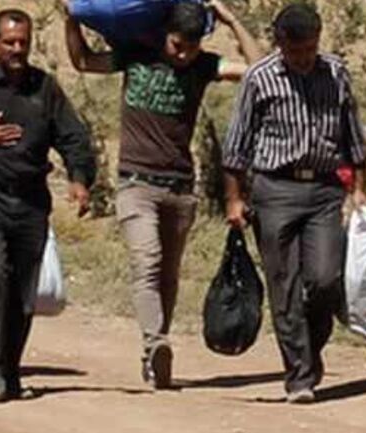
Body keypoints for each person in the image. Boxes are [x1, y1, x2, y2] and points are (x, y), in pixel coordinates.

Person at [63, 0, 261, 388]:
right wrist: (72, 20)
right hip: (135, 183)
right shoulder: (135, 55)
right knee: (147, 261)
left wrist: (232, 20)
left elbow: (258, 71)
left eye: (190, 45)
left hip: (180, 187)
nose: (183, 53)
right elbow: (84, 61)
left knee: (168, 274)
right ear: (162, 36)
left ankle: (155, 355)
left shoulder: (204, 66)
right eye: (175, 44)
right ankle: (155, 342)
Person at [0, 8, 96, 401]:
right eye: (9, 42)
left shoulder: (46, 88)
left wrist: (79, 180)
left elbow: (73, 137)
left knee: (23, 290)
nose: (17, 49)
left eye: (23, 42)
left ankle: (9, 369)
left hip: (30, 201)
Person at [221, 2, 366, 403]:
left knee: (324, 280)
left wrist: (359, 189)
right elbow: (236, 147)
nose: (303, 59)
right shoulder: (259, 79)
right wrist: (235, 200)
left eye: (309, 49)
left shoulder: (336, 73)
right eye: (294, 51)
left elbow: (353, 136)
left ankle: (310, 350)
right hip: (275, 192)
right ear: (279, 43)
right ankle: (300, 376)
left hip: (324, 190)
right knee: (283, 285)